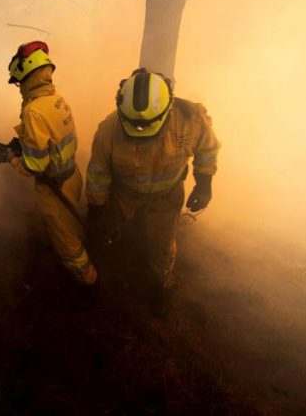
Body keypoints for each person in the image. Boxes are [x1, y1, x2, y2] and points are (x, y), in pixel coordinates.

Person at [85, 68, 220, 315]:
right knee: (102, 233)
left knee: (162, 246)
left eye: (146, 126)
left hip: (165, 197)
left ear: (167, 109)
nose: (139, 133)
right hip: (123, 193)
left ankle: (161, 287)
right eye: (134, 126)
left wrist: (204, 183)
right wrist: (96, 209)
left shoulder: (190, 120)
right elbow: (98, 172)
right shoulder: (109, 128)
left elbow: (208, 149)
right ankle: (102, 278)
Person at [0, 41, 97, 286]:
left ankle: (88, 280)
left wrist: (11, 157)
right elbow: (53, 139)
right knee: (71, 225)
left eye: (19, 82)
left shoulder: (33, 111)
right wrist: (23, 144)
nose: (18, 88)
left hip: (53, 190)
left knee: (67, 245)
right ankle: (78, 246)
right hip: (71, 176)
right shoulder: (56, 99)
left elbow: (34, 167)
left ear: (28, 77)